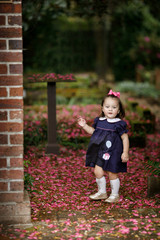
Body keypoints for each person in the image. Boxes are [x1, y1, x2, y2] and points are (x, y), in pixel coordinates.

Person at [77, 89, 129, 203]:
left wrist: (125, 152)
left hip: (114, 152)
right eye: (107, 106)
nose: (110, 109)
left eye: (114, 107)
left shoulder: (119, 124)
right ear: (102, 108)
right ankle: (102, 192)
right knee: (97, 171)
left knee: (112, 173)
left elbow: (125, 138)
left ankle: (115, 195)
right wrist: (84, 126)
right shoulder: (99, 121)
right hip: (101, 151)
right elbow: (93, 131)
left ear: (119, 110)